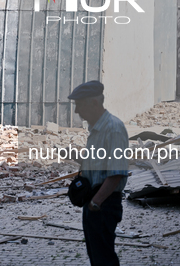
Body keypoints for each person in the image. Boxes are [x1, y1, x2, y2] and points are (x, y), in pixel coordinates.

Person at [68, 80, 129, 266]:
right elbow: (99, 164)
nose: (77, 111)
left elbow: (116, 173)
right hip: (94, 202)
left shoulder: (113, 128)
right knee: (97, 256)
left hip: (103, 203)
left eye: (79, 105)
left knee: (103, 258)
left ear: (93, 103)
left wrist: (96, 202)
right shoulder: (97, 129)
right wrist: (75, 157)